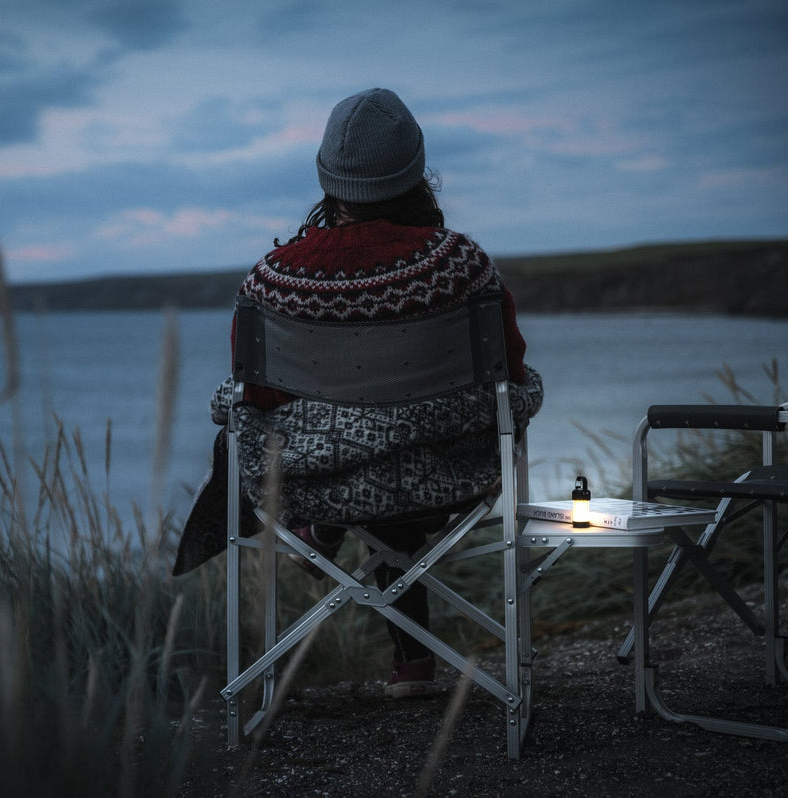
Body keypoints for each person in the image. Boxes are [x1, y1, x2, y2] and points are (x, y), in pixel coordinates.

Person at [174, 87, 542, 698]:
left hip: (318, 484)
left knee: (359, 446)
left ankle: (329, 559)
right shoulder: (462, 267)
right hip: (450, 476)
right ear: (417, 173)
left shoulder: (274, 281)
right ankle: (419, 666)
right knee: (400, 440)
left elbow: (261, 403)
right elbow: (509, 373)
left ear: (327, 176)